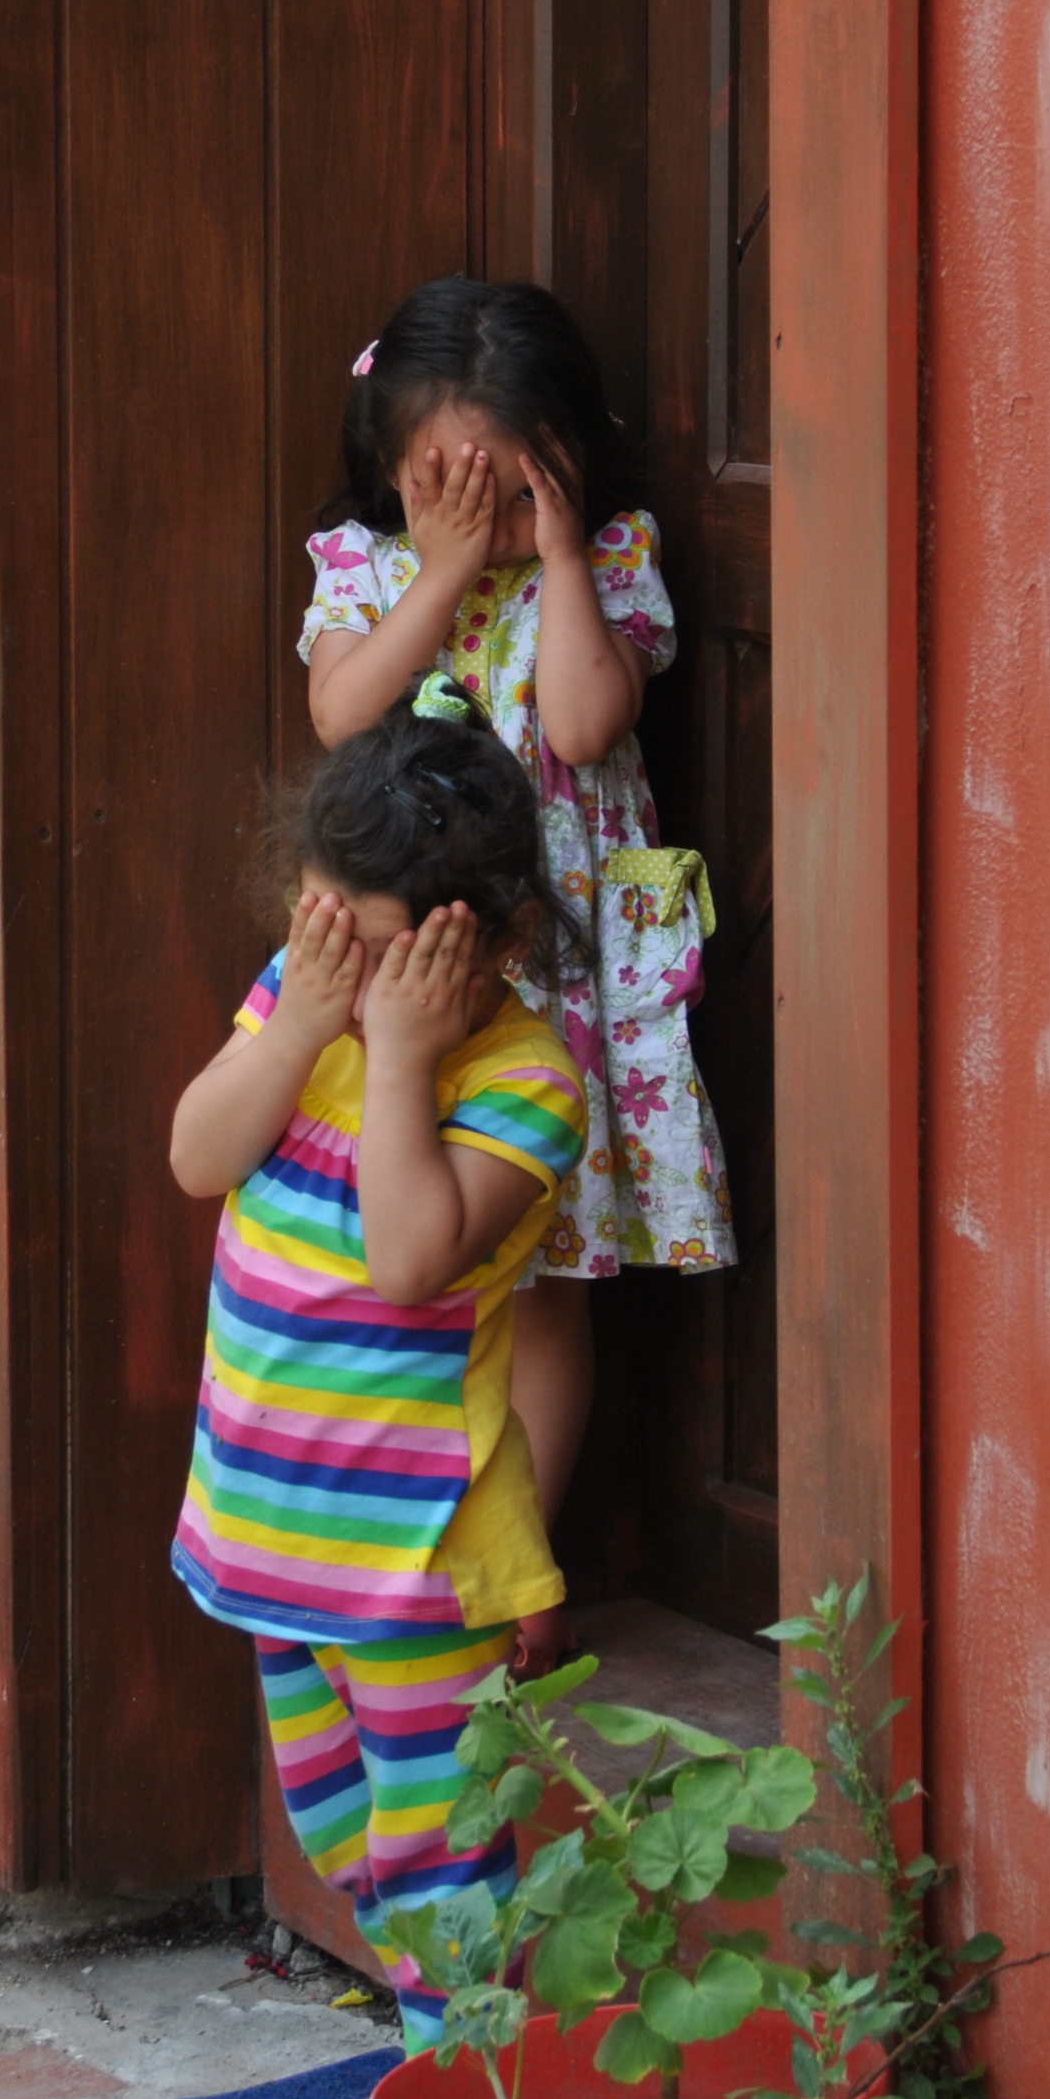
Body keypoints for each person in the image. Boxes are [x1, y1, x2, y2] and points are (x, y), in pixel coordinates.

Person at [169, 681, 588, 2099]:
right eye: (320, 921)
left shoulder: (524, 1084)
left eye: (376, 938)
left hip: (420, 1572)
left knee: (442, 1863)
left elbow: (413, 1257)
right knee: (348, 1843)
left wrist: (400, 1052)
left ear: (481, 943)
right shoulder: (306, 998)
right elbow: (201, 1154)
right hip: (278, 1539)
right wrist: (317, 1018)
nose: (335, 955)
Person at [301, 276, 733, 1526]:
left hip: (556, 975)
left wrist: (554, 552)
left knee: (545, 1279)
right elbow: (342, 719)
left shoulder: (604, 563)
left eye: (506, 484)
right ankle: (395, 1539)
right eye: (448, 484)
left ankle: (521, 1561)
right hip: (412, 970)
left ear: (563, 460)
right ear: (392, 470)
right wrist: (435, 574)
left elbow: (588, 723)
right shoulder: (364, 569)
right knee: (406, 1250)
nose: (477, 511)